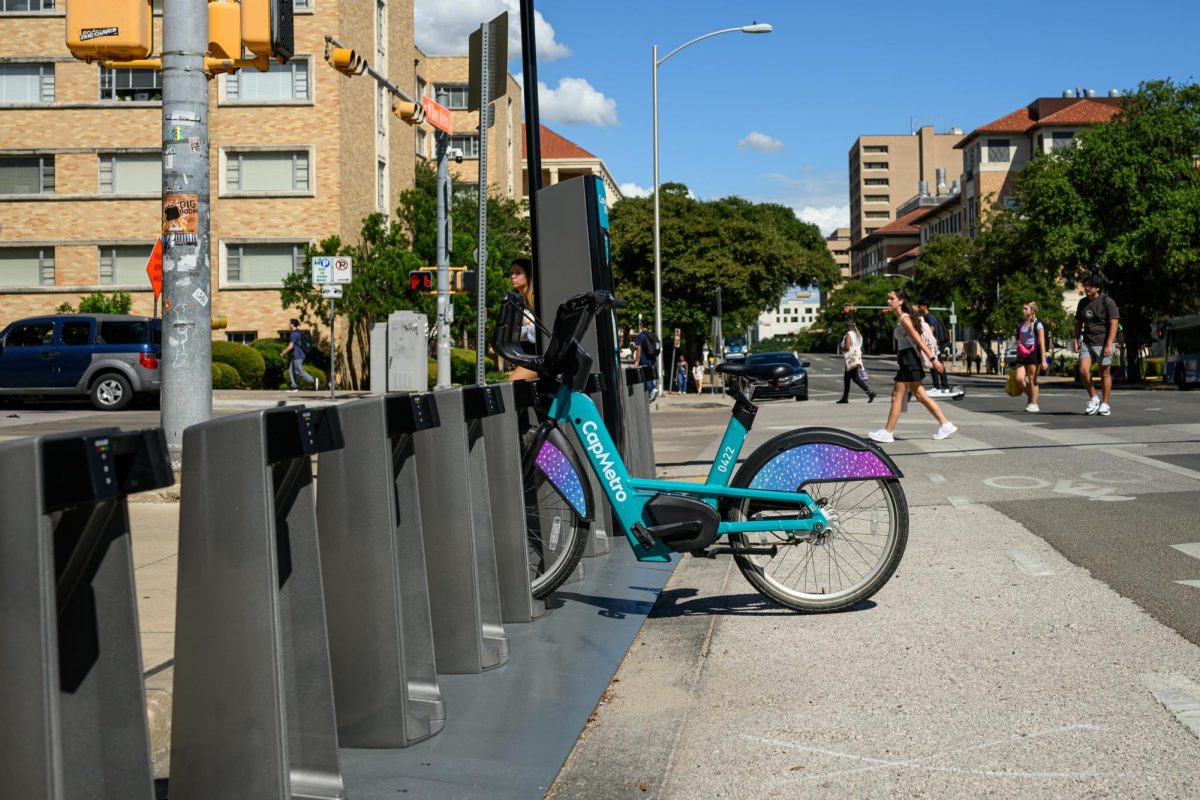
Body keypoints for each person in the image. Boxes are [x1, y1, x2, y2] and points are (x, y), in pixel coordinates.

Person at [867, 289, 957, 443]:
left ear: (900, 301)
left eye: (891, 298)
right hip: (907, 359)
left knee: (897, 396)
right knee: (921, 395)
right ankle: (945, 424)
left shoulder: (904, 319)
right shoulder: (902, 318)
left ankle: (888, 432)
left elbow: (918, 340)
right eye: (888, 298)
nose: (888, 301)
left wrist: (933, 358)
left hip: (909, 360)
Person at [1073, 273, 1119, 415]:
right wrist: (1075, 339)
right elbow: (1078, 323)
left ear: (1097, 288)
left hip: (1104, 342)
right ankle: (1094, 398)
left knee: (1104, 372)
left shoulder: (1107, 302)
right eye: (1085, 285)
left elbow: (1114, 324)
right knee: (1083, 371)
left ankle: (1105, 403)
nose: (1086, 288)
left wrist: (1109, 344)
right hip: (1087, 342)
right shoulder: (1082, 303)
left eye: (1090, 286)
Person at [505, 258, 539, 382]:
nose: (513, 277)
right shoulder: (516, 301)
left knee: (511, 384)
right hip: (526, 356)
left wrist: (517, 332)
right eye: (511, 273)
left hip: (539, 357)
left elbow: (538, 333)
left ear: (528, 275)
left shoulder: (536, 298)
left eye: (518, 273)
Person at [1014, 301, 1049, 412]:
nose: (1023, 310)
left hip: (1034, 353)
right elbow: (1020, 339)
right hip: (1022, 353)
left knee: (1032, 379)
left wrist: (1043, 360)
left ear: (1032, 311)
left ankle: (1034, 404)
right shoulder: (1022, 323)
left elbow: (1042, 343)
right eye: (1023, 308)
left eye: (1026, 309)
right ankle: (1031, 395)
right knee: (1019, 378)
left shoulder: (1038, 324)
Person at [916, 298, 951, 393]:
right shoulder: (928, 316)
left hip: (933, 345)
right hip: (932, 345)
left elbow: (930, 332)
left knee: (936, 365)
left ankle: (942, 386)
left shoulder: (929, 317)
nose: (918, 307)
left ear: (924, 306)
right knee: (936, 365)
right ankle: (941, 386)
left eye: (919, 306)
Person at [837, 320, 875, 404]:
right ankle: (845, 397)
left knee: (854, 378)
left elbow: (847, 347)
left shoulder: (849, 335)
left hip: (851, 359)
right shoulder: (858, 335)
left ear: (847, 327)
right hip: (857, 358)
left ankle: (870, 392)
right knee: (850, 378)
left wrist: (841, 349)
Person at [282, 319, 319, 392]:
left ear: (292, 324)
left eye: (289, 323)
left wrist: (283, 353)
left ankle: (313, 380)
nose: (288, 325)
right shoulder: (298, 332)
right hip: (298, 354)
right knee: (291, 370)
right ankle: (294, 386)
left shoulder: (294, 334)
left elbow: (290, 346)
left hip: (298, 355)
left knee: (299, 371)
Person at [634, 320, 659, 401]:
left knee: (647, 379)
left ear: (641, 325)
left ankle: (652, 390)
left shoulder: (641, 336)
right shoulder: (652, 334)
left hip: (644, 361)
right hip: (653, 360)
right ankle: (650, 395)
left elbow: (638, 349)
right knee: (651, 377)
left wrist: (637, 361)